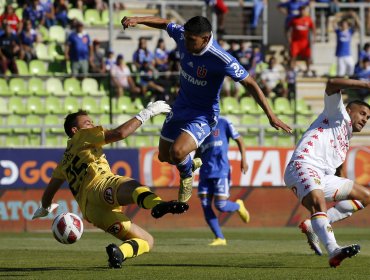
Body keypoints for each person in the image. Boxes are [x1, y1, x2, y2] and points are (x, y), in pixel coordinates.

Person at [121, 15, 292, 203]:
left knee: (177, 152)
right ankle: (190, 164)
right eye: (185, 37)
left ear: (205, 38)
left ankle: (186, 176)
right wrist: (137, 19)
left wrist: (271, 115)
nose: (185, 42)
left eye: (191, 40)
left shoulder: (222, 58)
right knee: (164, 156)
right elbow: (164, 23)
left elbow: (250, 82)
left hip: (203, 115)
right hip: (180, 107)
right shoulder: (183, 35)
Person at [31, 102, 190, 269]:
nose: (92, 125)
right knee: (133, 186)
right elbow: (120, 133)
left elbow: (48, 193)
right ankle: (158, 205)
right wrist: (148, 113)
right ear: (74, 131)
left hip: (92, 212)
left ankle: (118, 254)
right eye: (87, 123)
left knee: (147, 241)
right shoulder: (82, 136)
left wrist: (45, 208)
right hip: (100, 186)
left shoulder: (63, 161)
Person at [284, 78, 370, 268]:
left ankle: (312, 226)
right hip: (303, 165)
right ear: (349, 110)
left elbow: (336, 166)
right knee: (318, 201)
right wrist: (365, 85)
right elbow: (331, 83)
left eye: (368, 118)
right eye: (363, 113)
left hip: (323, 176)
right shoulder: (337, 113)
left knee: (365, 197)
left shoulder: (345, 136)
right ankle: (334, 250)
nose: (365, 119)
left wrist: (339, 177)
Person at [195, 116, 250, 246]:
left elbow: (240, 140)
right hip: (204, 171)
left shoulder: (223, 122)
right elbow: (198, 150)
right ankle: (220, 238)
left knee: (220, 205)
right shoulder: (199, 126)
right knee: (205, 204)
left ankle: (238, 206)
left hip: (221, 170)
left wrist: (244, 160)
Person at [286, 5, 316, 76]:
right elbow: (287, 29)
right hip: (295, 41)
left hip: (304, 42)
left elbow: (313, 29)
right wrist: (288, 38)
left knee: (307, 57)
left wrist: (314, 38)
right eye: (301, 10)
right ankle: (292, 70)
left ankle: (308, 70)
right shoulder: (294, 20)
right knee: (293, 56)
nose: (302, 12)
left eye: (303, 10)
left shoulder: (308, 19)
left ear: (305, 11)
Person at [333, 11, 360, 77]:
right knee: (340, 72)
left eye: (345, 24)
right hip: (340, 55)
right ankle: (340, 85)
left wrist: (355, 16)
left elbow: (358, 26)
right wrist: (340, 15)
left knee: (351, 66)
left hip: (348, 54)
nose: (344, 25)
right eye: (342, 24)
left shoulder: (350, 31)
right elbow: (333, 23)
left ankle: (349, 80)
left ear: (348, 25)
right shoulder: (338, 31)